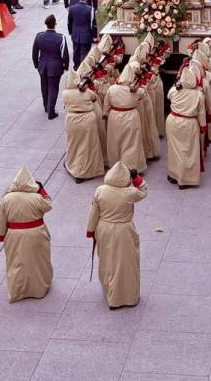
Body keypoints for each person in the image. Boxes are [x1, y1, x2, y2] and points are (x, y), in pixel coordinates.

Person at [86, 161, 147, 309]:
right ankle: (128, 297)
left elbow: (94, 213)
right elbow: (144, 190)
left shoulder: (100, 190)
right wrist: (136, 178)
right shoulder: (130, 193)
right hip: (124, 230)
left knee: (108, 261)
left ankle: (110, 293)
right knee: (126, 263)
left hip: (104, 228)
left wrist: (91, 230)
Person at [0, 166, 53, 302]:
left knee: (16, 263)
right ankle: (39, 288)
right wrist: (41, 189)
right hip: (37, 234)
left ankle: (18, 291)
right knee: (38, 262)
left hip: (14, 235)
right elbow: (48, 205)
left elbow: (1, 218)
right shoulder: (37, 198)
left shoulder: (7, 199)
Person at [166, 66, 206, 189]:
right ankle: (187, 178)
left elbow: (169, 96)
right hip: (189, 123)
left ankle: (174, 174)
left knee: (174, 151)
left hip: (173, 121)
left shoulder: (173, 91)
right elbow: (201, 112)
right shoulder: (198, 94)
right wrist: (203, 126)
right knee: (188, 152)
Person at [62, 71, 105, 183]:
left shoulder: (65, 93)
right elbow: (94, 97)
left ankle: (72, 164)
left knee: (74, 144)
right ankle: (82, 171)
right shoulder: (86, 92)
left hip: (72, 120)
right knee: (87, 146)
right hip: (86, 120)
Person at [32, 14, 70, 120]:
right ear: (55, 24)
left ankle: (46, 107)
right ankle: (51, 111)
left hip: (43, 66)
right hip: (55, 67)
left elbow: (35, 52)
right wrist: (65, 66)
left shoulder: (39, 36)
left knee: (44, 87)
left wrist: (36, 64)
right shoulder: (60, 38)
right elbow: (64, 54)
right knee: (53, 88)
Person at [67, 0, 97, 68]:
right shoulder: (90, 9)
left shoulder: (72, 8)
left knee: (76, 52)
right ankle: (83, 69)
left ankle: (76, 67)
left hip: (75, 34)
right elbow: (93, 24)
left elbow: (69, 22)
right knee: (84, 54)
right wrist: (95, 36)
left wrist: (71, 32)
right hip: (86, 35)